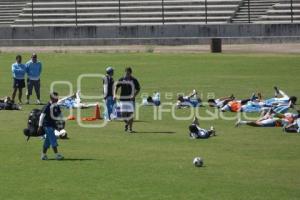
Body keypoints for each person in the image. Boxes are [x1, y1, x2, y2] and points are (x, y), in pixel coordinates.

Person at [38, 92, 64, 160]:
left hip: (52, 126)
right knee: (53, 140)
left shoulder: (56, 105)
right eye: (56, 98)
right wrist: (40, 126)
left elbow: (60, 115)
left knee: (48, 141)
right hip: (47, 126)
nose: (57, 99)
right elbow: (41, 116)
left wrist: (61, 123)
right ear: (52, 98)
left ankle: (43, 155)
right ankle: (57, 155)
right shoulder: (47, 106)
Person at [114, 67, 140, 133]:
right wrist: (114, 94)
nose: (127, 74)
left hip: (131, 100)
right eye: (126, 73)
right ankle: (127, 123)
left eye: (128, 73)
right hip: (122, 99)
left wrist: (134, 95)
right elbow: (116, 87)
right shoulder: (121, 79)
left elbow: (138, 89)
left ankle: (130, 129)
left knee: (130, 114)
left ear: (130, 73)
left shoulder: (134, 80)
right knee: (123, 115)